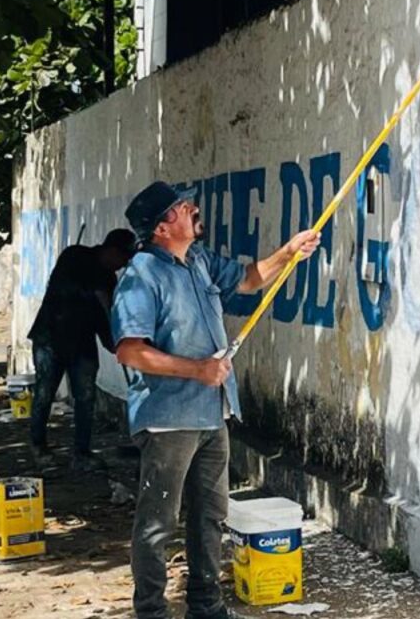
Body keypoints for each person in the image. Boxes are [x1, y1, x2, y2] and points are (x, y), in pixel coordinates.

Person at [112, 181, 319, 619]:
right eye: (181, 207)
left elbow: (248, 279)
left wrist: (288, 253)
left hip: (212, 413)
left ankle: (206, 606)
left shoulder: (199, 261)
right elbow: (130, 351)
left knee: (210, 514)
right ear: (162, 227)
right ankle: (150, 611)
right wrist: (197, 369)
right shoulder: (141, 275)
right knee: (158, 523)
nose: (192, 209)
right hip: (168, 420)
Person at [27, 227, 137, 472]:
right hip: (50, 337)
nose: (123, 265)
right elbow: (64, 288)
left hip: (82, 343)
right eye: (123, 258)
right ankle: (38, 446)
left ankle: (82, 453)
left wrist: (115, 345)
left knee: (86, 397)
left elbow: (105, 319)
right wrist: (95, 294)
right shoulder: (75, 255)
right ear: (112, 250)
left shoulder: (110, 279)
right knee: (44, 393)